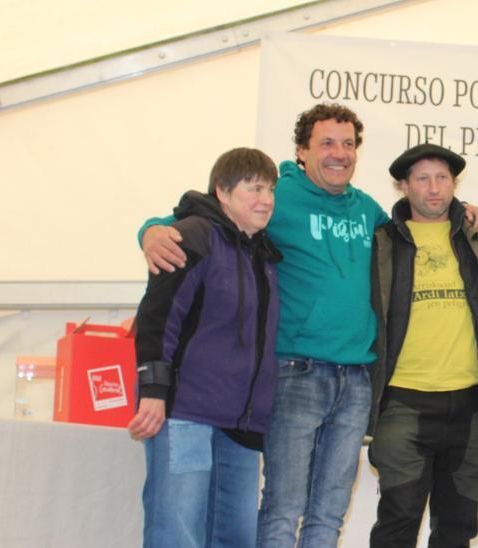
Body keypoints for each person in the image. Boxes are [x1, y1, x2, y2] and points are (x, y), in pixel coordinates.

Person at [137, 103, 478, 547]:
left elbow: (419, 224)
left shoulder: (368, 211)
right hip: (295, 373)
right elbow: (194, 217)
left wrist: (466, 211)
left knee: (329, 513)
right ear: (302, 151)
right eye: (326, 143)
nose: (338, 153)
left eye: (348, 144)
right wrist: (150, 231)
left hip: (356, 380)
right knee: (283, 508)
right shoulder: (277, 196)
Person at [367, 144, 478, 547]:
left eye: (443, 178)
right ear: (403, 186)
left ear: (455, 185)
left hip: (470, 405)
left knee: (458, 527)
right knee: (397, 522)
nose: (434, 188)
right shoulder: (381, 242)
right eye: (422, 179)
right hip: (403, 402)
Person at [130, 147, 281, 548]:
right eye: (254, 188)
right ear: (223, 191)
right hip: (185, 413)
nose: (265, 200)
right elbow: (159, 317)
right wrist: (153, 391)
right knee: (177, 531)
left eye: (270, 190)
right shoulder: (192, 235)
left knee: (236, 536)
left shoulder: (263, 255)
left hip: (241, 424)